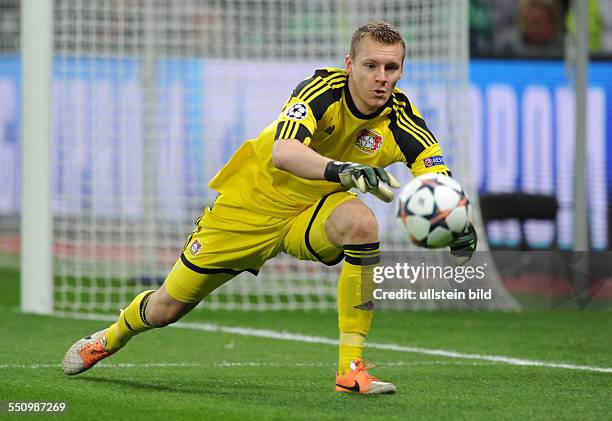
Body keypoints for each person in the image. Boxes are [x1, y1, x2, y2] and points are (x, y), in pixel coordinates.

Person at [62, 21, 477, 395]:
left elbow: (436, 178)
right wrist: (344, 170)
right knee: (168, 307)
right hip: (249, 207)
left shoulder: (403, 120)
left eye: (391, 68)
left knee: (362, 223)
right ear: (350, 64)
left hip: (309, 214)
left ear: (402, 71)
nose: (381, 77)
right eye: (371, 65)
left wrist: (457, 218)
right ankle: (110, 337)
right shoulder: (319, 90)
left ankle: (351, 369)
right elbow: (284, 152)